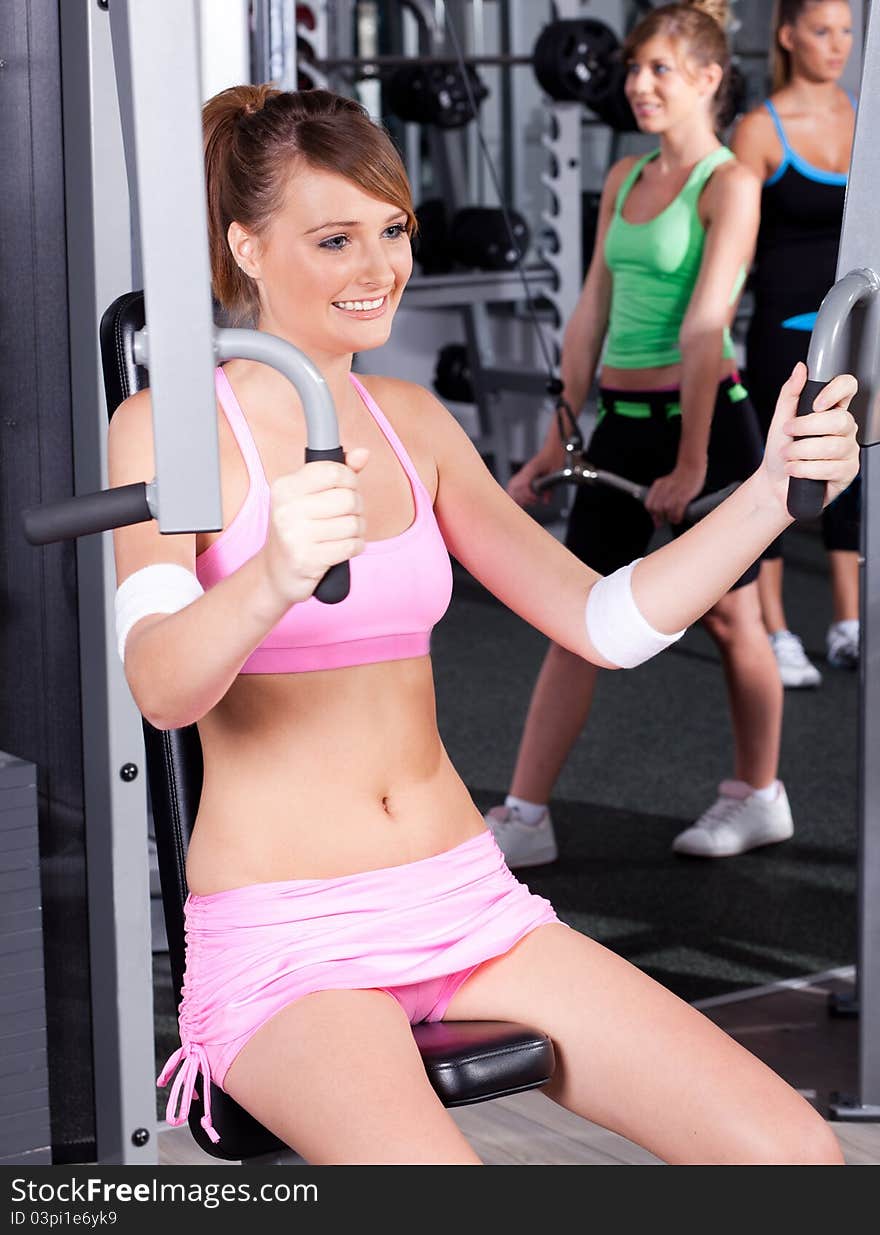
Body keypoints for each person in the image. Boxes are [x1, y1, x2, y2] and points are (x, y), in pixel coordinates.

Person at [107, 82, 857, 1166]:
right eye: (333, 238)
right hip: (290, 939)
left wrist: (768, 490)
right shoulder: (166, 428)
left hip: (465, 901)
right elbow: (162, 685)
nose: (379, 269)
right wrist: (271, 574)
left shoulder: (411, 422)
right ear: (245, 245)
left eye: (392, 230)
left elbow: (604, 621)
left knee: (791, 1158)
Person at [487, 0, 797, 867]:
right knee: (576, 618)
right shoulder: (625, 178)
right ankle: (525, 814)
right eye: (634, 70)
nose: (638, 85)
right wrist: (559, 433)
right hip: (621, 426)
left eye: (659, 69)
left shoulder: (730, 182)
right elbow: (591, 309)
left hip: (703, 425)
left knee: (735, 622)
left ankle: (759, 793)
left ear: (707, 77)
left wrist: (694, 461)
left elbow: (708, 325)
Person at [732, 0, 859, 688]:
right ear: (787, 35)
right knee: (781, 471)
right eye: (821, 30)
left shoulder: (865, 121)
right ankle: (777, 628)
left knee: (855, 466)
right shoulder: (759, 128)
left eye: (846, 31)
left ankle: (849, 619)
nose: (837, 45)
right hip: (782, 328)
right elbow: (732, 250)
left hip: (856, 328)